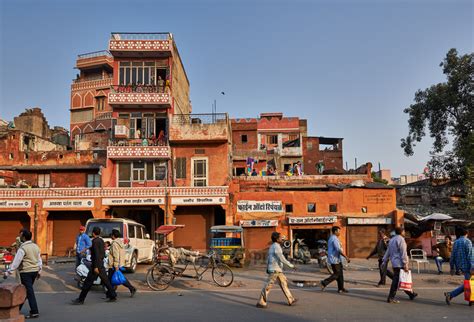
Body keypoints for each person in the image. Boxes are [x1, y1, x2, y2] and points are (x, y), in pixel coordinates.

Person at [71, 226, 117, 305]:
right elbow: (101, 254)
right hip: (100, 264)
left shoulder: (95, 241)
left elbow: (96, 254)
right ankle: (113, 295)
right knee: (106, 281)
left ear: (93, 233)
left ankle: (80, 299)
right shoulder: (101, 240)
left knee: (87, 283)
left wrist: (95, 267)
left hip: (96, 266)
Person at [4, 229, 42, 319]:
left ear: (24, 237)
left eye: (21, 235)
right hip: (34, 271)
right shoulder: (35, 246)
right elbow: (39, 260)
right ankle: (17, 308)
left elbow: (16, 262)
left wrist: (8, 272)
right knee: (26, 291)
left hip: (26, 272)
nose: (20, 237)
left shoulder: (23, 248)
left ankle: (34, 311)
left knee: (29, 292)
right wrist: (39, 271)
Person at [256, 232, 297, 308]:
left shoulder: (274, 246)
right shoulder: (276, 247)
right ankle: (261, 302)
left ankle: (291, 299)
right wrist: (291, 265)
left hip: (277, 269)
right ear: (277, 239)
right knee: (268, 286)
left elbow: (269, 258)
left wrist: (268, 267)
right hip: (275, 269)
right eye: (280, 237)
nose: (282, 239)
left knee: (284, 283)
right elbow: (281, 258)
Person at [382, 227, 417, 303]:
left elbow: (388, 251)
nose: (404, 232)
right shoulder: (401, 239)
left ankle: (411, 294)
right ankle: (391, 298)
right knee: (396, 281)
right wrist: (405, 264)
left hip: (394, 263)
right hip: (399, 263)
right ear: (402, 232)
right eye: (404, 231)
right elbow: (403, 253)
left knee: (401, 280)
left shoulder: (392, 240)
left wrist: (384, 260)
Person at [444, 227, 473, 305]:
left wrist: (452, 267)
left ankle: (471, 299)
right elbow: (470, 256)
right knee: (469, 283)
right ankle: (451, 294)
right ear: (466, 234)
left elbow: (452, 256)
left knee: (469, 283)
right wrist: (472, 267)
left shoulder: (456, 242)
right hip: (468, 266)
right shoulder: (468, 242)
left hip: (461, 267)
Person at [320, 226, 350, 293]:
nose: (339, 233)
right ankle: (324, 282)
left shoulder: (331, 238)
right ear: (335, 231)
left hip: (336, 259)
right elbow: (338, 250)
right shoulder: (334, 239)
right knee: (336, 274)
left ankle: (341, 288)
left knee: (340, 274)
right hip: (335, 259)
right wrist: (346, 257)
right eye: (338, 231)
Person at [108, 229, 136, 297]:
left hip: (114, 264)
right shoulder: (120, 242)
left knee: (112, 279)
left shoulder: (114, 244)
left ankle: (111, 294)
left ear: (113, 236)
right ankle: (111, 293)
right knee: (119, 278)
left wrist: (116, 265)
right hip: (119, 263)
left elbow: (116, 255)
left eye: (111, 234)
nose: (111, 236)